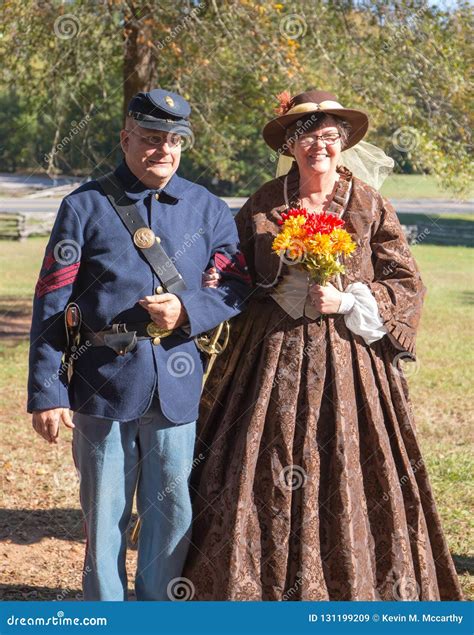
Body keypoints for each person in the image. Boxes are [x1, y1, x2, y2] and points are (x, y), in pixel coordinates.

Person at [183, 89, 464, 601]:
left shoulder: (369, 204)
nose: (320, 145)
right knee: (255, 465)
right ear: (291, 144)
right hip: (267, 354)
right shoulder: (265, 202)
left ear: (344, 143)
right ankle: (248, 590)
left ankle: (349, 588)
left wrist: (351, 299)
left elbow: (406, 283)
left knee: (349, 466)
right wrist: (212, 283)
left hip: (348, 358)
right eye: (308, 135)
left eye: (330, 136)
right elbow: (232, 269)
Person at [27, 88, 251, 601]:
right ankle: (106, 613)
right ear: (126, 138)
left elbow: (237, 283)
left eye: (174, 141)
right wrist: (47, 390)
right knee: (105, 512)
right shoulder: (83, 206)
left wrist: (189, 310)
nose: (164, 151)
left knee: (171, 513)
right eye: (151, 139)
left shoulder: (208, 208)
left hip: (176, 384)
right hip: (101, 384)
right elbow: (53, 300)